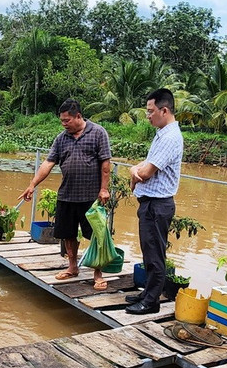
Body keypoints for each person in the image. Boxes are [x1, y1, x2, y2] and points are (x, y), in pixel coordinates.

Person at [19, 99, 112, 289]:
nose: (63, 124)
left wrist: (104, 189)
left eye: (66, 120)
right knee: (68, 234)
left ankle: (98, 273)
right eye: (61, 120)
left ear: (78, 116)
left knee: (96, 235)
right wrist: (32, 184)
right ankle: (72, 267)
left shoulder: (98, 132)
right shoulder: (61, 139)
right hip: (67, 195)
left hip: (90, 198)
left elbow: (105, 164)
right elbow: (48, 164)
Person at [125, 88, 183, 315]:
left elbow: (146, 172)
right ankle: (147, 293)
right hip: (151, 204)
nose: (147, 116)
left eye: (150, 112)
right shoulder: (162, 134)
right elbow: (145, 164)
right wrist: (134, 169)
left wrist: (133, 171)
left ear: (164, 110)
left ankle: (151, 302)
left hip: (157, 205)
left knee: (155, 255)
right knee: (149, 252)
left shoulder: (170, 138)